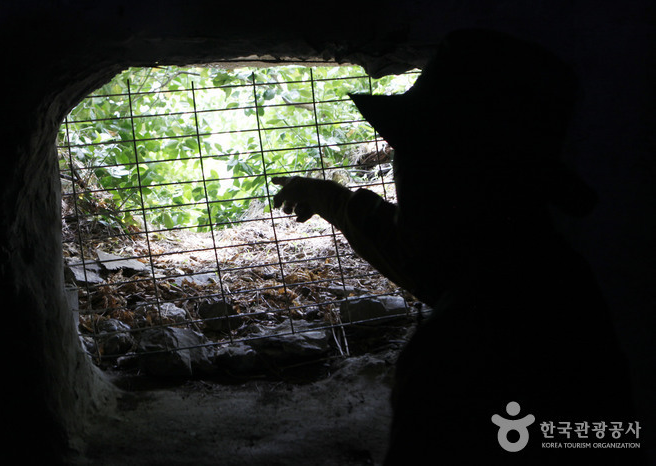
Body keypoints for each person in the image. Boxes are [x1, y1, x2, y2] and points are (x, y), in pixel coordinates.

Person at [273, 29, 642, 464]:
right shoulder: (554, 276)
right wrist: (328, 198)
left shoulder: (456, 354)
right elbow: (423, 257)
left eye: (409, 152)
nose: (397, 164)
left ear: (445, 178)